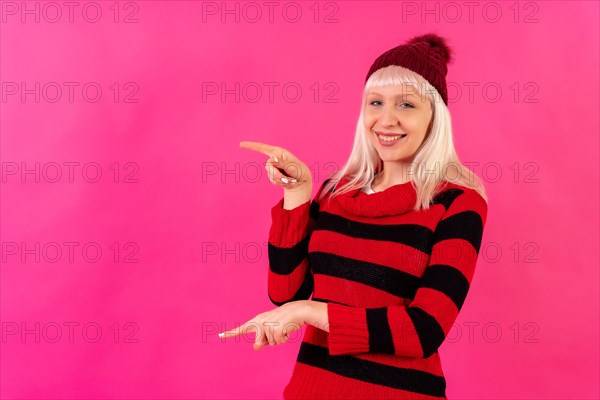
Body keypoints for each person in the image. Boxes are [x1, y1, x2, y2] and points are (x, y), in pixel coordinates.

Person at [221, 32, 488, 400]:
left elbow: (424, 329)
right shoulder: (336, 191)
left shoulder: (458, 203)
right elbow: (285, 294)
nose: (386, 119)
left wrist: (309, 311)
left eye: (407, 105)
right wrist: (297, 194)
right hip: (310, 390)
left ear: (435, 117)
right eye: (375, 102)